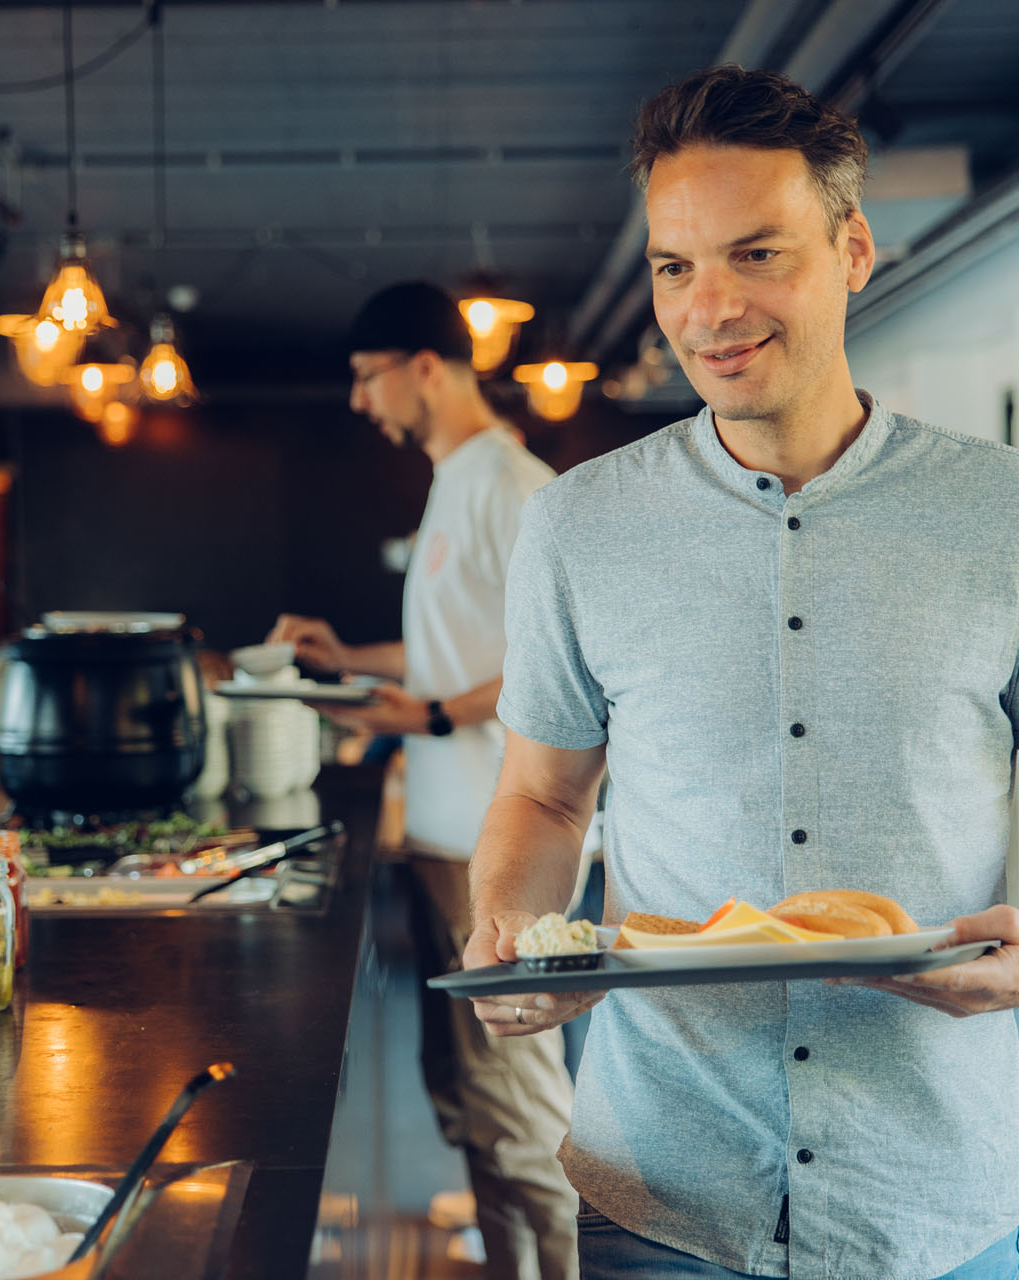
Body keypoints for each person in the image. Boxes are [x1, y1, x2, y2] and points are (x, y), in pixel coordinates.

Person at [463, 65, 1019, 1280]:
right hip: (663, 1193)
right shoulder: (579, 526)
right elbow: (542, 796)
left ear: (852, 251)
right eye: (675, 266)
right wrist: (516, 934)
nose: (709, 307)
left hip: (933, 1190)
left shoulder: (1015, 514)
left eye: (755, 254)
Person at [268, 281, 580, 1280]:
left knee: (519, 1110)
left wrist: (431, 715)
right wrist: (351, 657)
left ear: (427, 368)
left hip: (505, 840)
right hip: (446, 833)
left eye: (368, 378)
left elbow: (554, 661)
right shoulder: (454, 480)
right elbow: (452, 648)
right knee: (466, 1100)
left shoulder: (515, 484)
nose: (362, 402)